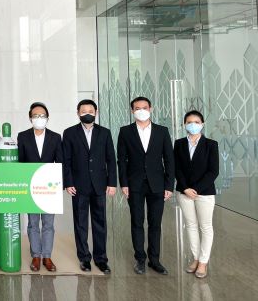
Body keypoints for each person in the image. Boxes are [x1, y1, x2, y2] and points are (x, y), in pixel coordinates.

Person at [117, 97, 175, 275]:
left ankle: (154, 260)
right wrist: (124, 183)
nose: (141, 110)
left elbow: (169, 159)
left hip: (157, 184)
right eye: (137, 108)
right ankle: (140, 259)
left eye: (144, 107)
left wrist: (169, 185)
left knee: (155, 223)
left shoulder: (162, 131)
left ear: (151, 109)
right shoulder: (125, 131)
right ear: (132, 111)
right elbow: (122, 160)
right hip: (134, 184)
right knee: (137, 222)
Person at [63, 99, 116, 274]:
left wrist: (112, 183)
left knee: (100, 223)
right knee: (81, 223)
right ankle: (84, 258)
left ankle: (101, 259)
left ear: (96, 112)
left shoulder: (105, 132)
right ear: (78, 113)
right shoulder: (69, 133)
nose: (87, 113)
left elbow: (110, 159)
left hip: (100, 184)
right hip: (78, 185)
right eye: (84, 111)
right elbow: (66, 160)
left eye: (91, 111)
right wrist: (68, 182)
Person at [18, 102, 64, 272]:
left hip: (49, 188)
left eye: (42, 115)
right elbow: (20, 163)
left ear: (47, 118)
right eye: (36, 115)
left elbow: (60, 162)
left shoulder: (55, 137)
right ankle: (36, 256)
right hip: (31, 187)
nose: (39, 118)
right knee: (32, 223)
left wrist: (60, 184)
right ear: (30, 118)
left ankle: (47, 256)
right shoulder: (23, 136)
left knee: (48, 224)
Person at [174, 110, 219, 279]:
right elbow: (176, 168)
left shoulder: (211, 144)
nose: (193, 125)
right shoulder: (179, 144)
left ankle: (203, 262)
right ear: (184, 124)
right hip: (184, 191)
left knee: (205, 227)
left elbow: (213, 171)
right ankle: (196, 258)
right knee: (191, 225)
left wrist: (197, 189)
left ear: (202, 124)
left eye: (196, 122)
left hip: (204, 193)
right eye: (189, 122)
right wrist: (185, 188)